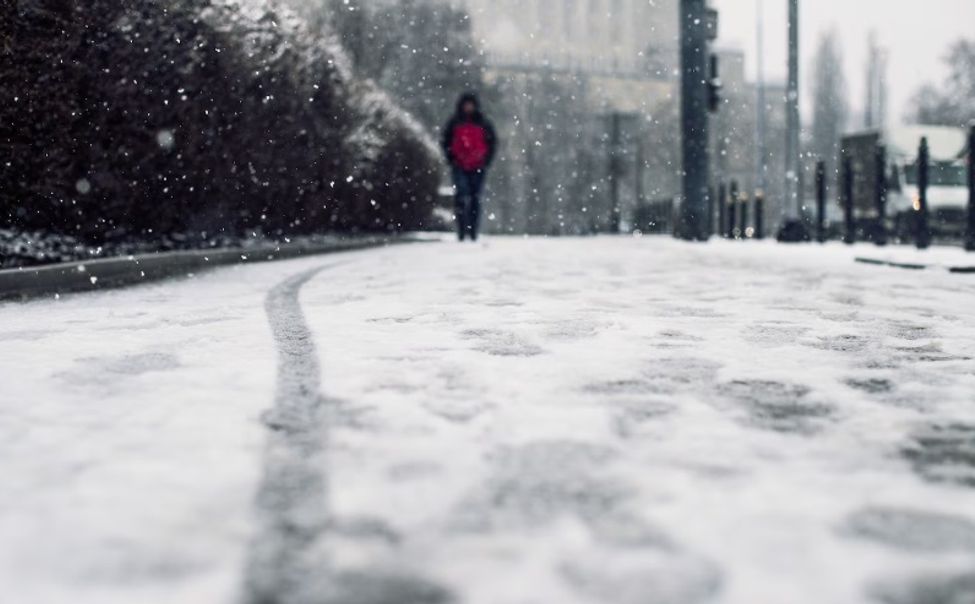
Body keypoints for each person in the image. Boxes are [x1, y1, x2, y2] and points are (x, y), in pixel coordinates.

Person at [441, 92, 497, 242]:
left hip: (478, 166)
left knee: (474, 199)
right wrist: (452, 159)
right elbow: (446, 142)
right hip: (459, 165)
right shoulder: (454, 122)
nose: (468, 107)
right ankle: (461, 230)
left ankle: (472, 231)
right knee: (461, 196)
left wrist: (485, 161)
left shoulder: (483, 123)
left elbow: (492, 143)